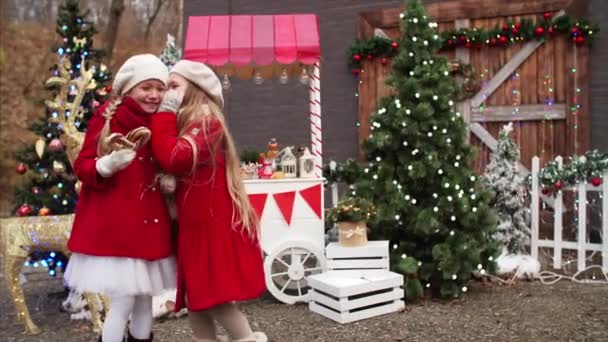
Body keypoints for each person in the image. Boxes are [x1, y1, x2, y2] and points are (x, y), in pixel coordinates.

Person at [149, 60, 266, 342]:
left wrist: (163, 115)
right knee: (195, 296)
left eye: (174, 86)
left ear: (196, 90)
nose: (167, 94)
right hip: (194, 224)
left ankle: (247, 339)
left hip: (210, 224)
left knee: (214, 296)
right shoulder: (186, 121)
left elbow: (174, 158)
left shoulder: (206, 121)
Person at [65, 54, 176, 342]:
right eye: (146, 87)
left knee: (144, 300)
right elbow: (83, 166)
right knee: (124, 299)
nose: (154, 95)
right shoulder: (107, 120)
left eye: (160, 88)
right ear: (128, 89)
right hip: (117, 227)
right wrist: (106, 165)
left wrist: (169, 176)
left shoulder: (163, 121)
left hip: (150, 224)